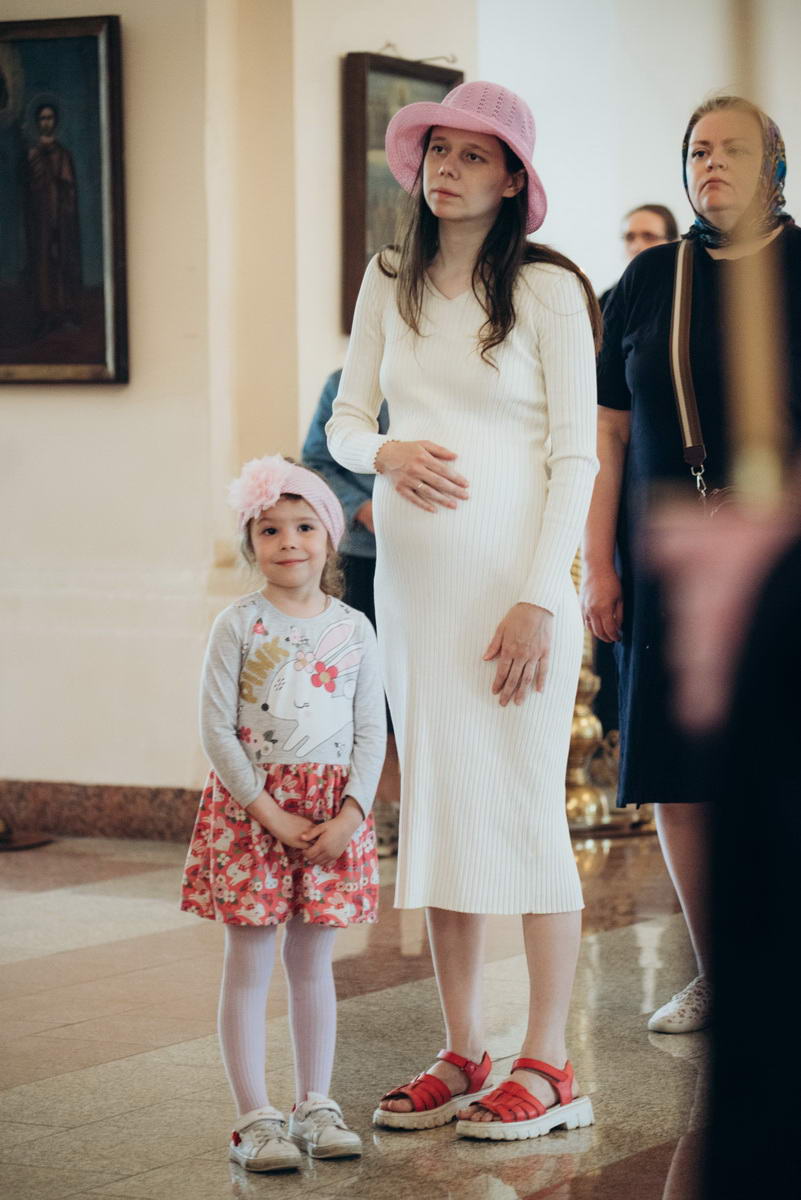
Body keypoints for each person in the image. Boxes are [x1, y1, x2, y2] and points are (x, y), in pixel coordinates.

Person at [327, 80, 601, 1141]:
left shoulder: (547, 291)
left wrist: (540, 597)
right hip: (416, 598)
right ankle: (463, 1047)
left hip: (514, 598)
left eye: (473, 155)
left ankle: (552, 1062)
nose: (448, 168)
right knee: (439, 811)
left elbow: (575, 458)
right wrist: (386, 451)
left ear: (513, 178)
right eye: (437, 150)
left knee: (525, 813)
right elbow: (346, 423)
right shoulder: (386, 279)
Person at [582, 94, 801, 1034]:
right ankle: (723, 974)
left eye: (733, 150)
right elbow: (606, 434)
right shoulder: (648, 280)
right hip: (663, 562)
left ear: (775, 169)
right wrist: (597, 565)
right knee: (677, 773)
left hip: (781, 566)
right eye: (697, 151)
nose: (710, 164)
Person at [180, 455, 385, 1172]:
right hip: (253, 815)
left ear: (330, 538)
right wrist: (267, 812)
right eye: (270, 529)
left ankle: (314, 1105)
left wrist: (351, 815)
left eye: (304, 527)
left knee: (312, 963)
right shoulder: (237, 624)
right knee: (250, 962)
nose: (289, 541)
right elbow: (215, 729)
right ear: (251, 542)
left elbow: (371, 730)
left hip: (331, 816)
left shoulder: (355, 628)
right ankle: (253, 1119)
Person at [302, 375, 400, 847]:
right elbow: (316, 462)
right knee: (369, 690)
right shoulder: (345, 382)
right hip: (363, 557)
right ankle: (381, 811)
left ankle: (420, 807)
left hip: (431, 558)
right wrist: (363, 509)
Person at [25, 102, 82, 334]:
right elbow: (29, 188)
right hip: (40, 220)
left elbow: (69, 187)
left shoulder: (63, 154)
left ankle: (65, 313)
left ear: (55, 121)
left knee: (63, 263)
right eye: (42, 118)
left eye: (49, 118)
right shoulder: (32, 154)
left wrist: (64, 214)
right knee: (43, 265)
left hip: (61, 218)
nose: (46, 122)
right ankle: (45, 315)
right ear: (37, 122)